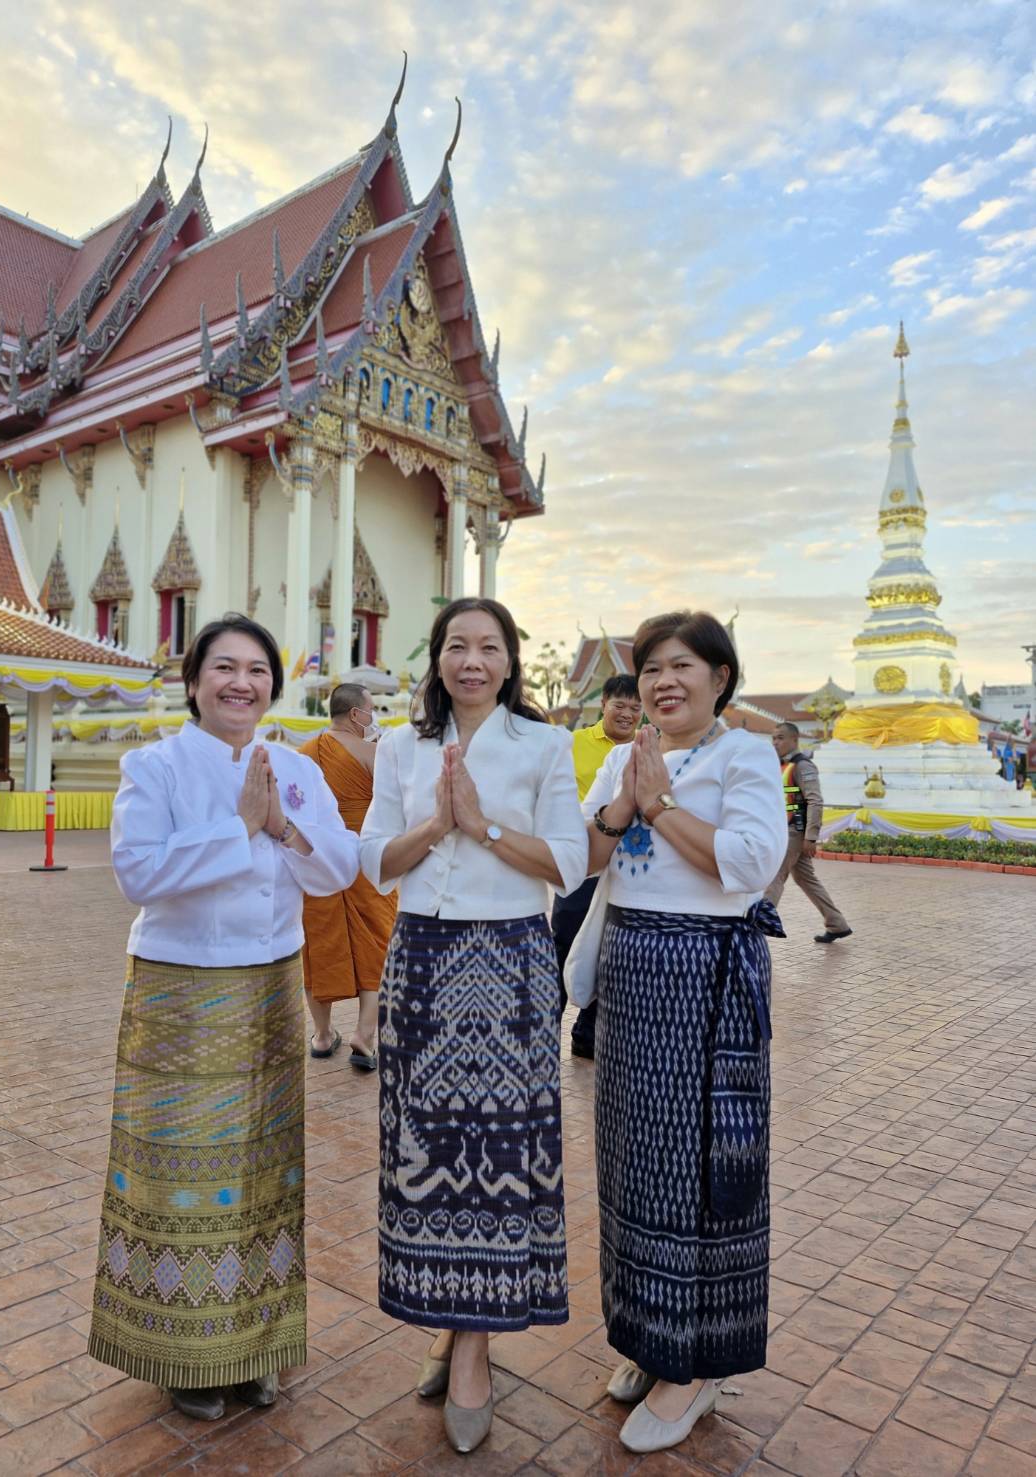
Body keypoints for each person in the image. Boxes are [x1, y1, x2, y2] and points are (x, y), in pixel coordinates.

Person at [89, 614, 359, 1423]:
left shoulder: (295, 769)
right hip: (180, 991)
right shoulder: (154, 766)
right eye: (224, 667)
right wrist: (238, 824)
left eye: (257, 670)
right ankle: (185, 1356)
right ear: (194, 680)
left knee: (261, 1171)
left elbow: (337, 869)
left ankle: (254, 1347)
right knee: (183, 1175)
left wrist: (281, 823)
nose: (242, 683)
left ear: (274, 684)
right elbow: (137, 873)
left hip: (271, 988)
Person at [360, 596, 587, 1454]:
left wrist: (483, 824)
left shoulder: (543, 744)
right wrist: (436, 823)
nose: (472, 661)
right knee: (425, 1149)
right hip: (421, 958)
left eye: (489, 647)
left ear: (510, 661)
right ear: (437, 657)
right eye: (457, 645)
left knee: (498, 1151)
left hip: (511, 960)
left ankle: (474, 1346)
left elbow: (568, 863)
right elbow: (374, 861)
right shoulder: (401, 744)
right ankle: (450, 1319)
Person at [580, 610, 786, 1455]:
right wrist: (623, 802)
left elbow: (749, 861)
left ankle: (696, 1365)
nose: (664, 682)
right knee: (632, 1159)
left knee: (699, 1165)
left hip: (703, 974)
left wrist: (658, 805)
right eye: (652, 668)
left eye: (682, 666)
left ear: (720, 677)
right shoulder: (628, 755)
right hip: (630, 966)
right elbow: (586, 857)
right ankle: (649, 1336)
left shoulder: (745, 756)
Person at [299, 682, 396, 1071]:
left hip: (318, 860)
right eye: (372, 709)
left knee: (318, 945)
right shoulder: (375, 753)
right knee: (378, 942)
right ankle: (364, 1036)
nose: (374, 717)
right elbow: (393, 810)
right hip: (364, 859)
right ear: (357, 714)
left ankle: (322, 1035)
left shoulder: (304, 755)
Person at [552, 674, 641, 1057]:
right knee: (563, 943)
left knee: (606, 950)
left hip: (624, 867)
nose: (627, 714)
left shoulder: (647, 749)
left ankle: (587, 1034)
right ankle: (545, 1028)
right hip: (582, 861)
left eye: (636, 708)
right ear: (603, 703)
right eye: (620, 705)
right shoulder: (572, 743)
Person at [765, 722, 852, 944]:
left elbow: (815, 800)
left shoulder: (803, 766)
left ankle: (758, 928)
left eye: (780, 738)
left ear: (795, 740)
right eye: (773, 738)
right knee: (806, 879)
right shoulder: (782, 765)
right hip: (784, 830)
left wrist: (811, 837)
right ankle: (837, 924)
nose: (775, 742)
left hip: (794, 832)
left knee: (774, 875)